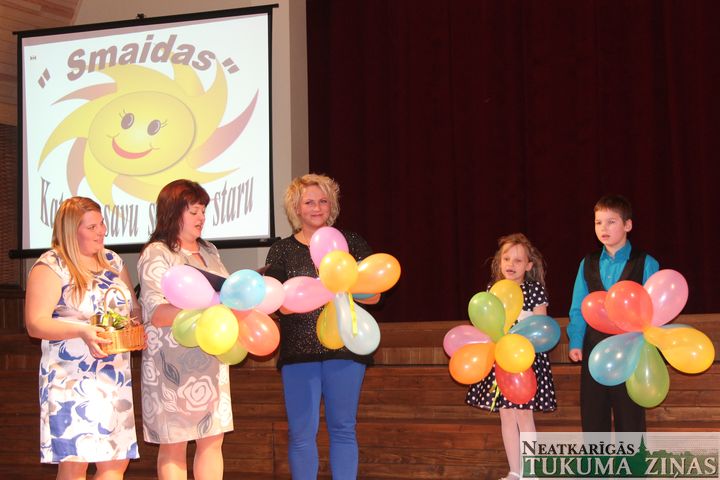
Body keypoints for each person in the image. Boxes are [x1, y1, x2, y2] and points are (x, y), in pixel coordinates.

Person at [265, 173, 379, 480]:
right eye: (309, 202)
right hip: (298, 352)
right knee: (301, 432)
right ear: (296, 208)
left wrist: (341, 287)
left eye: (323, 201)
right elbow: (277, 302)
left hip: (345, 348)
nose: (317, 208)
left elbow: (374, 294)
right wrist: (316, 291)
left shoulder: (351, 243)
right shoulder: (282, 250)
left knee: (343, 428)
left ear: (332, 206)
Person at [24, 196, 140, 479]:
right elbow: (35, 323)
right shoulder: (51, 265)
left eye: (102, 224)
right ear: (70, 230)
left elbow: (132, 308)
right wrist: (81, 330)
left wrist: (135, 325)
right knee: (76, 461)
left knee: (116, 461)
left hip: (113, 376)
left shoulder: (112, 261)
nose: (101, 231)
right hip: (70, 378)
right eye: (92, 227)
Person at [138, 179, 232, 480]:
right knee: (174, 443)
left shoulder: (210, 250)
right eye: (194, 211)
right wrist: (207, 307)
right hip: (172, 363)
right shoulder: (158, 253)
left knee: (212, 439)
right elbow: (157, 313)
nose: (201, 217)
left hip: (211, 359)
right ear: (173, 212)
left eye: (203, 211)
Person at [466, 233, 557, 480]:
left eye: (518, 260)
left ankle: (531, 471)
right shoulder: (493, 290)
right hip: (501, 359)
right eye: (507, 259)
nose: (511, 264)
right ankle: (515, 471)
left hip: (527, 359)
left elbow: (541, 327)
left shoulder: (535, 290)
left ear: (528, 265)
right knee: (506, 414)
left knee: (524, 414)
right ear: (499, 261)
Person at [568, 194, 659, 432]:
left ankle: (632, 459)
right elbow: (578, 307)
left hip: (631, 350)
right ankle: (595, 459)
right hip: (594, 348)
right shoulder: (587, 263)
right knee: (593, 416)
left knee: (629, 416)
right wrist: (576, 341)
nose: (603, 228)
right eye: (598, 222)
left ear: (627, 225)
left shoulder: (645, 262)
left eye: (611, 222)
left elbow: (654, 311)